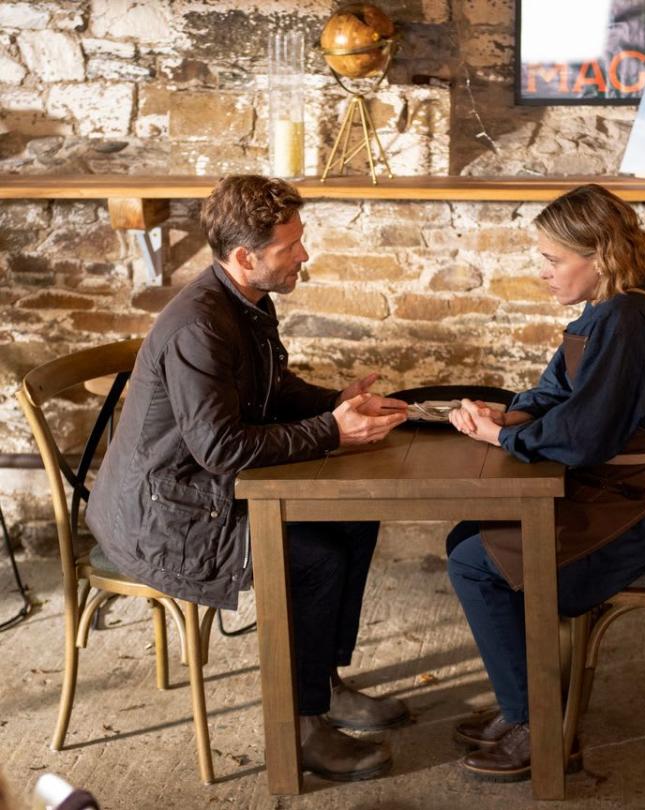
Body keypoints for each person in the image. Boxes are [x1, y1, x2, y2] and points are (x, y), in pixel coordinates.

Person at [86, 175, 409, 782]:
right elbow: (220, 448)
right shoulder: (200, 327)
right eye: (291, 247)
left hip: (200, 497)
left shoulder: (247, 302)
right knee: (315, 559)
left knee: (356, 515)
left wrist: (333, 403)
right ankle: (304, 728)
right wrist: (332, 432)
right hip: (166, 518)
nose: (304, 255)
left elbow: (271, 388)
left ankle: (322, 686)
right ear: (245, 257)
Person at [445, 183, 645, 780]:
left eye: (553, 260)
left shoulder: (625, 318)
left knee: (476, 562)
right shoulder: (614, 303)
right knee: (467, 539)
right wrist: (514, 414)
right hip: (636, 492)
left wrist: (500, 439)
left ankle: (540, 727)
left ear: (600, 256)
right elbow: (563, 389)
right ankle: (522, 702)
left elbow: (583, 437)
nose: (542, 272)